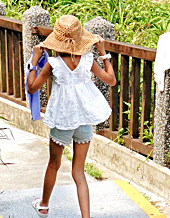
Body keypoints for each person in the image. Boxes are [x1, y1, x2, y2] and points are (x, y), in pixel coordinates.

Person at [26, 16, 116, 218]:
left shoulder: (53, 64)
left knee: (54, 164)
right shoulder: (88, 60)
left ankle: (44, 205)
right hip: (83, 119)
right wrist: (103, 54)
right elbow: (111, 80)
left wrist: (33, 61)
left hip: (63, 120)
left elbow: (32, 87)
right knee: (79, 172)